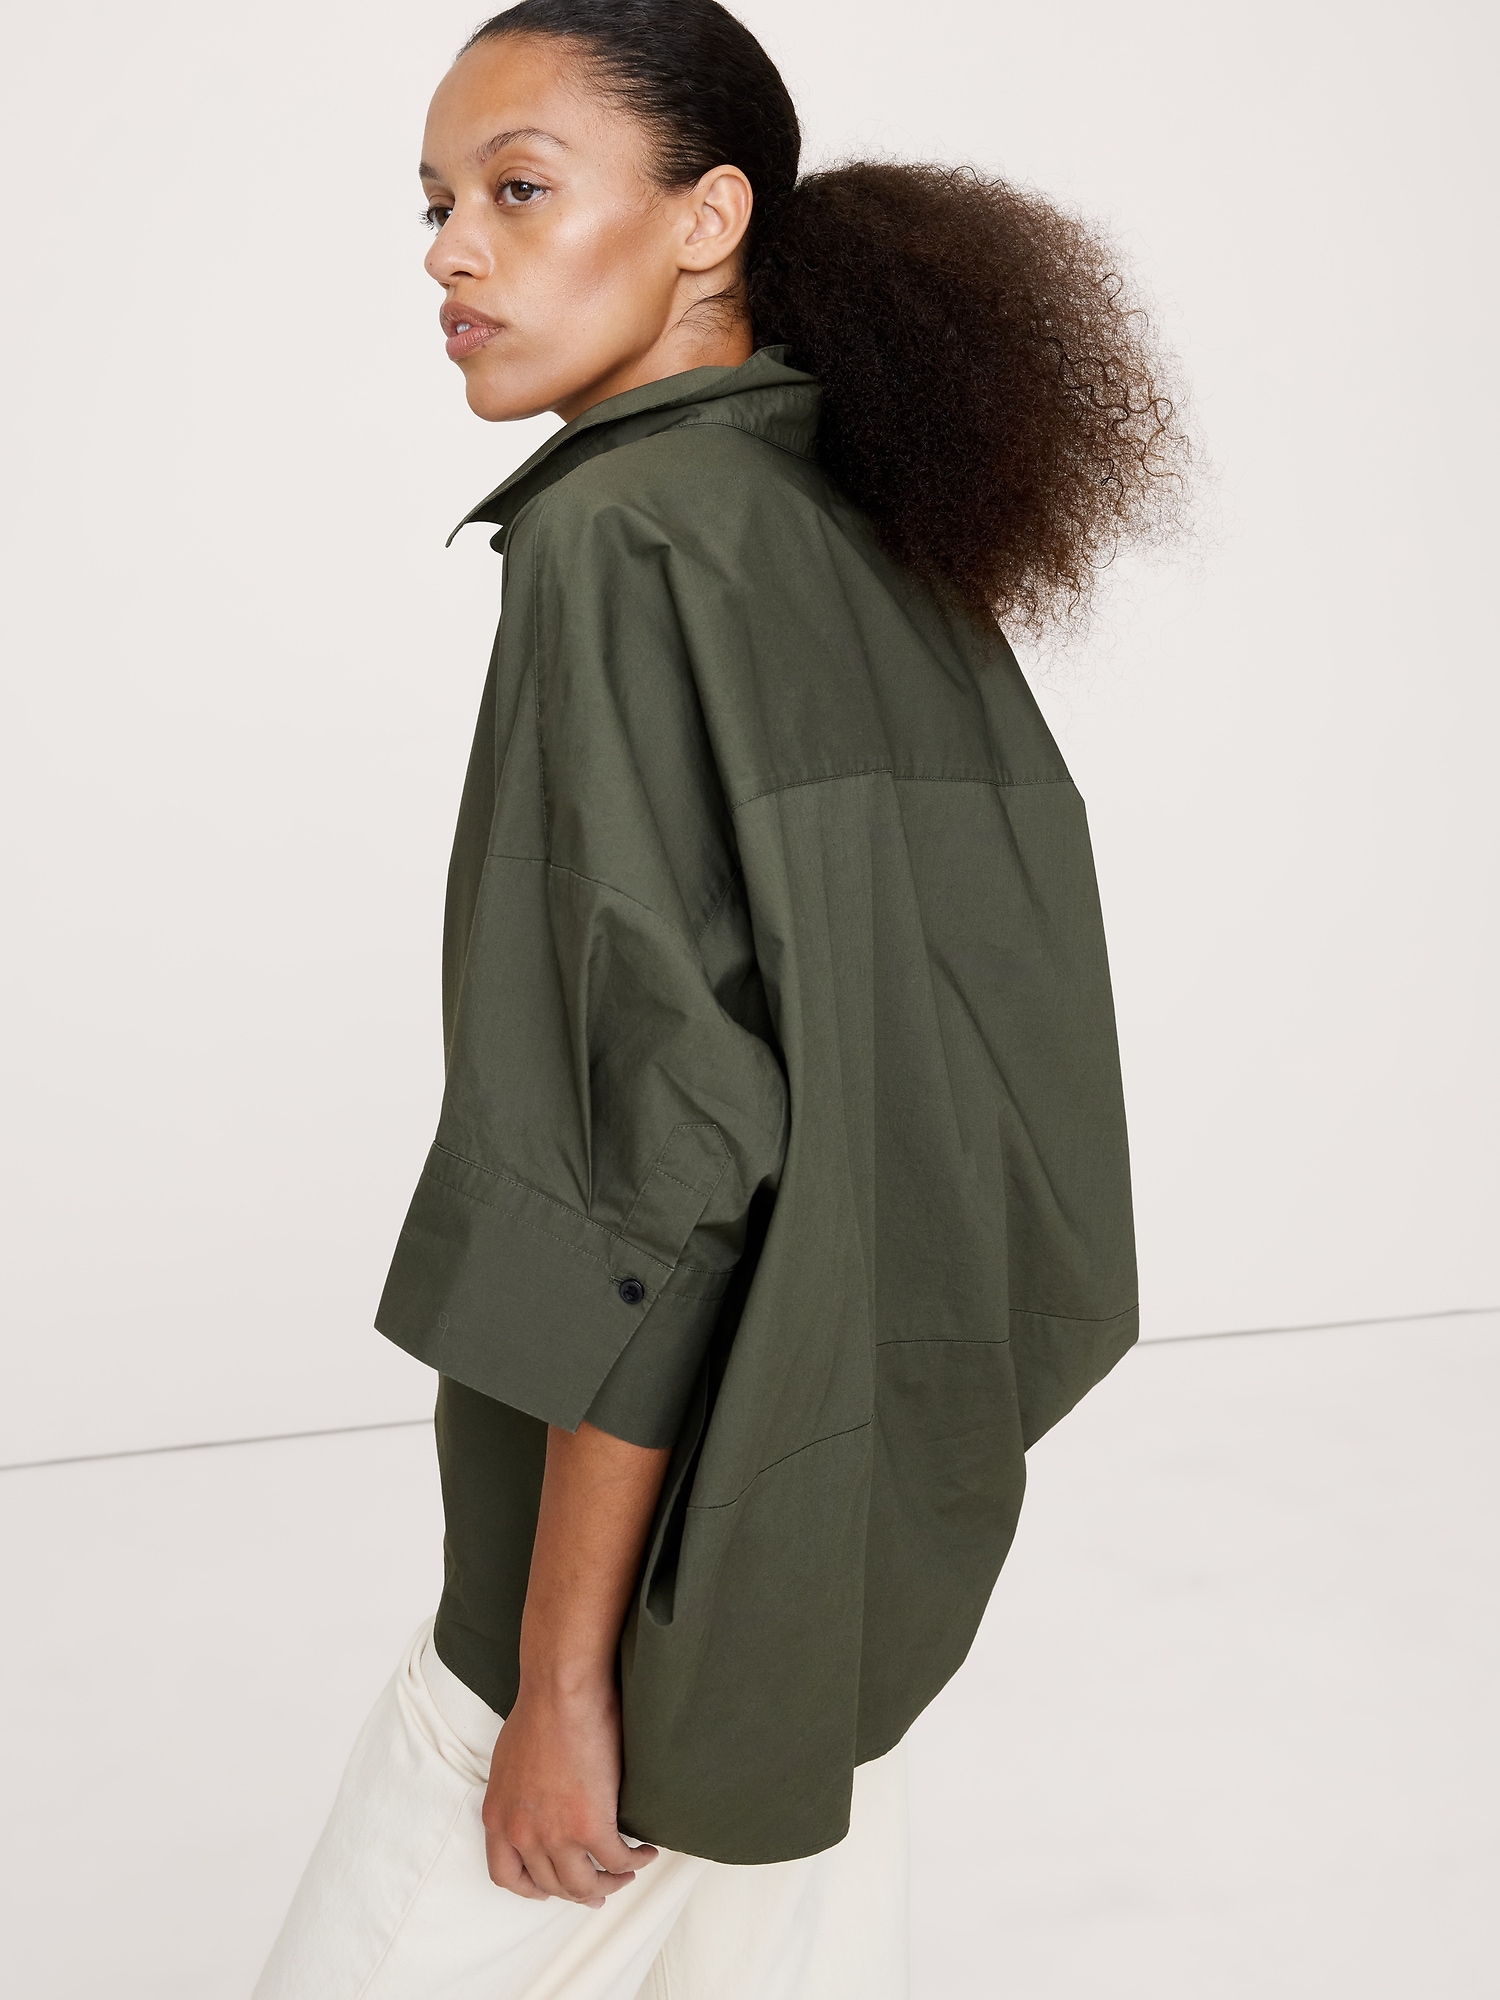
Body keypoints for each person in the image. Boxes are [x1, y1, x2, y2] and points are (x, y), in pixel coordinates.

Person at [253, 2, 1187, 1994]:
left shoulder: (617, 537)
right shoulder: (859, 525)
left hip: (639, 1629)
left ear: (709, 218)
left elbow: (647, 1172)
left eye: (518, 189)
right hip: (830, 1563)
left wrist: (559, 1679)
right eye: (434, 204)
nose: (451, 250)